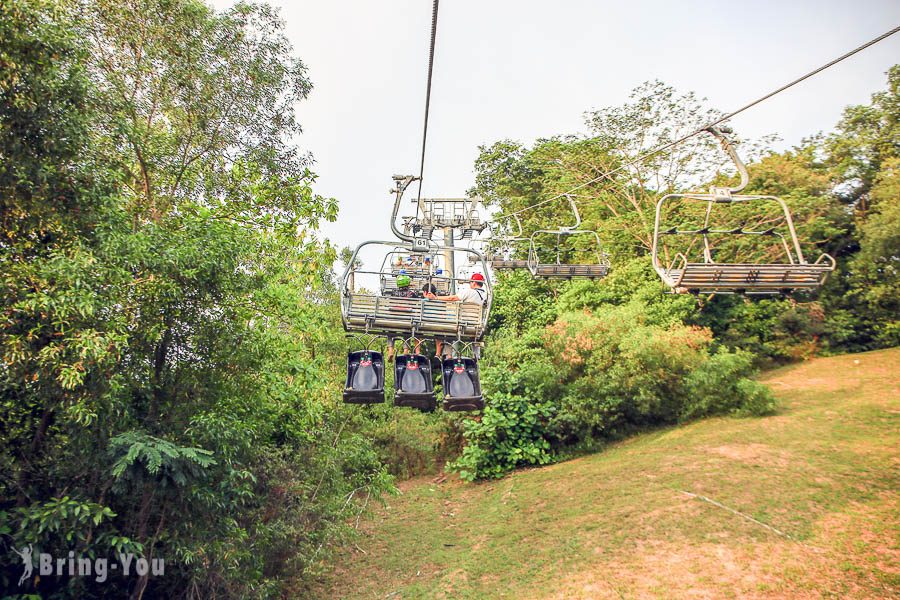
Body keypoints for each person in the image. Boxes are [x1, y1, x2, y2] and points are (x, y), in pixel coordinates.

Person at [386, 275, 421, 360]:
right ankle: (405, 351)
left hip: (394, 320)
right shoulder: (412, 294)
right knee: (407, 332)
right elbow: (417, 306)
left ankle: (391, 350)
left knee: (390, 332)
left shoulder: (393, 293)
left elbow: (390, 305)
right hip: (407, 320)